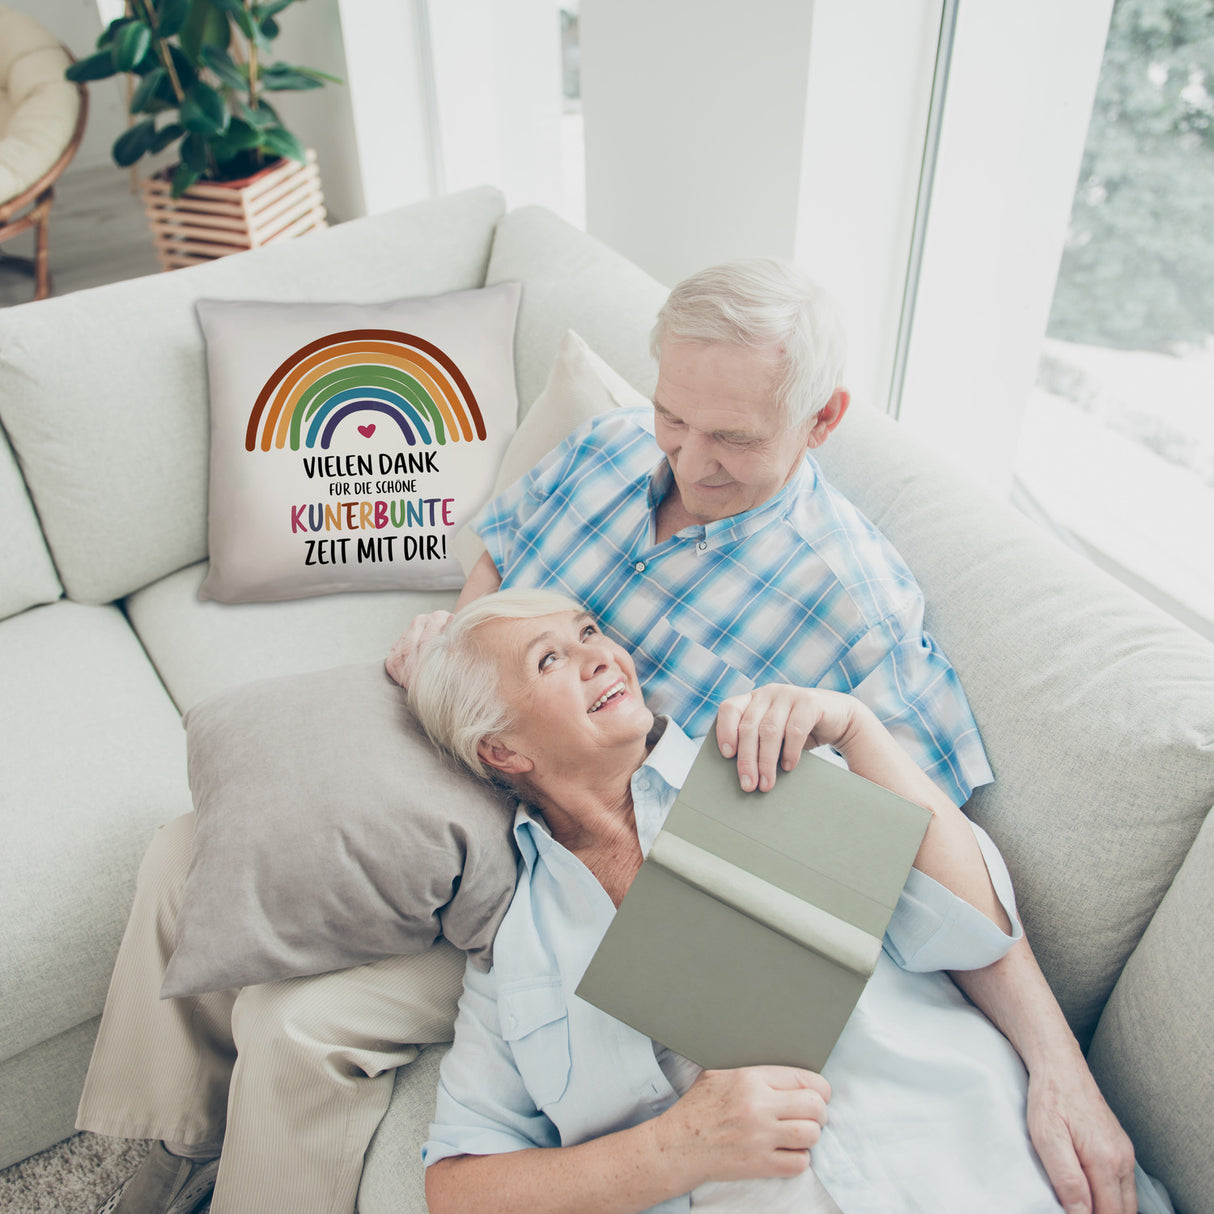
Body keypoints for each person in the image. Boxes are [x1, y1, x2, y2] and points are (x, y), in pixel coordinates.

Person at [79, 260, 1131, 1214]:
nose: (687, 457)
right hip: (489, 747)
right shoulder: (608, 447)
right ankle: (159, 1150)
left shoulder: (853, 608)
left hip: (579, 852)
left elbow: (927, 856)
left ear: (820, 420)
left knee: (300, 1024)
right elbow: (499, 559)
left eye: (732, 438)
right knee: (192, 846)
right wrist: (458, 642)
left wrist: (1057, 1063)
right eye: (674, 415)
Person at [407, 588, 1159, 1214]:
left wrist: (858, 730)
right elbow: (458, 1187)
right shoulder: (516, 952)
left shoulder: (762, 761)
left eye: (589, 632)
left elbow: (972, 928)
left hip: (986, 1167)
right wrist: (675, 1149)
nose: (601, 655)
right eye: (550, 659)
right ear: (502, 750)